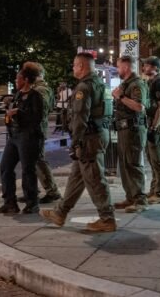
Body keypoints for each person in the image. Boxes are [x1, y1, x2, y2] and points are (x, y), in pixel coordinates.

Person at [40, 53, 116, 232]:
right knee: (77, 177)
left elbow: (80, 117)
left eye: (74, 65)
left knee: (96, 180)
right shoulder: (99, 83)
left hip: (88, 139)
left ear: (81, 66)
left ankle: (107, 219)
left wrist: (75, 142)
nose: (73, 68)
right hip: (98, 134)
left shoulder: (84, 87)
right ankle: (60, 213)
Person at [0, 65, 44, 214]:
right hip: (14, 136)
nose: (16, 81)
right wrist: (9, 113)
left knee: (27, 170)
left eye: (18, 78)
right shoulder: (17, 95)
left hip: (28, 136)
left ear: (25, 80)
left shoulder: (35, 96)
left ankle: (32, 203)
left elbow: (36, 118)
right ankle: (10, 202)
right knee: (5, 167)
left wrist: (18, 112)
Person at [111, 55, 150, 213]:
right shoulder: (126, 84)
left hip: (133, 129)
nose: (117, 70)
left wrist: (120, 96)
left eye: (119, 67)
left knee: (133, 164)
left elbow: (139, 107)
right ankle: (131, 197)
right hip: (124, 129)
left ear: (126, 67)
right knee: (125, 165)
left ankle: (140, 199)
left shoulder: (136, 84)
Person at [25, 62, 62, 204]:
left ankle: (52, 191)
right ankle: (34, 190)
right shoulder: (39, 88)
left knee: (39, 160)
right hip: (36, 128)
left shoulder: (41, 89)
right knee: (33, 161)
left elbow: (43, 109)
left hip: (38, 129)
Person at [142, 56, 160, 204]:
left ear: (155, 68)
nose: (144, 67)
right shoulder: (151, 82)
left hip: (158, 126)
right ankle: (154, 190)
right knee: (153, 161)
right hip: (152, 124)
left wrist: (154, 127)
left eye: (147, 65)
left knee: (158, 161)